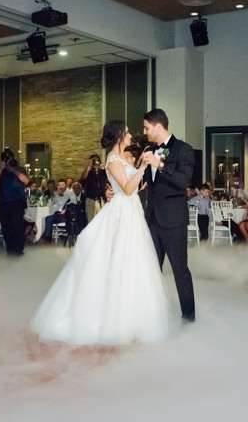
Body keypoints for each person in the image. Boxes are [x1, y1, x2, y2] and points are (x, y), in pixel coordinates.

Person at [31, 120, 168, 345]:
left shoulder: (122, 158)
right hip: (122, 213)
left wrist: (142, 175)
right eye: (127, 132)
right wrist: (143, 168)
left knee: (133, 261)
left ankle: (133, 316)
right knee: (118, 260)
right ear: (118, 136)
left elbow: (132, 187)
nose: (130, 135)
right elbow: (127, 188)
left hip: (131, 211)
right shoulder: (113, 160)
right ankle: (112, 317)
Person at [141, 108, 196, 323]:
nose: (145, 132)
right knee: (151, 270)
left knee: (180, 270)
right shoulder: (148, 149)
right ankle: (152, 315)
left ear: (157, 126)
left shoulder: (184, 149)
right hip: (152, 219)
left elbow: (184, 181)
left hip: (174, 221)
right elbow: (145, 183)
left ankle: (188, 316)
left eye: (147, 128)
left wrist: (160, 165)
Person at [0, 148, 28, 256]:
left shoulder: (19, 169)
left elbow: (26, 181)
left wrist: (14, 170)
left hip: (18, 202)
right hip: (4, 203)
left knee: (17, 227)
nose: (8, 160)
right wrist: (1, 169)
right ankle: (10, 250)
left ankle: (19, 250)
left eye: (10, 158)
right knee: (6, 228)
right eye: (6, 159)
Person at [80, 154, 105, 223]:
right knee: (91, 221)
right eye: (93, 160)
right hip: (90, 199)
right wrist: (89, 166)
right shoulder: (88, 172)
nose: (95, 162)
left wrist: (103, 168)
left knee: (101, 221)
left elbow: (105, 181)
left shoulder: (102, 172)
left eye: (97, 160)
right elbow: (82, 180)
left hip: (100, 199)